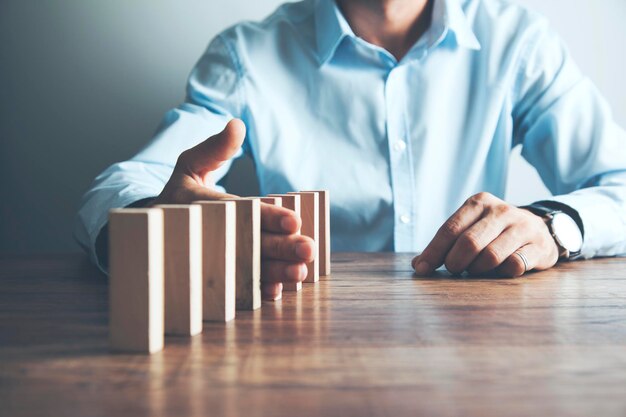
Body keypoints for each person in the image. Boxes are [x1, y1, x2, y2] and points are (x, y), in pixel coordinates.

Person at [76, 0, 626, 300]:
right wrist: (157, 220)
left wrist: (555, 227)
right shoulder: (247, 55)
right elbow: (122, 186)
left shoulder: (519, 42)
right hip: (300, 351)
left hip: (476, 357)